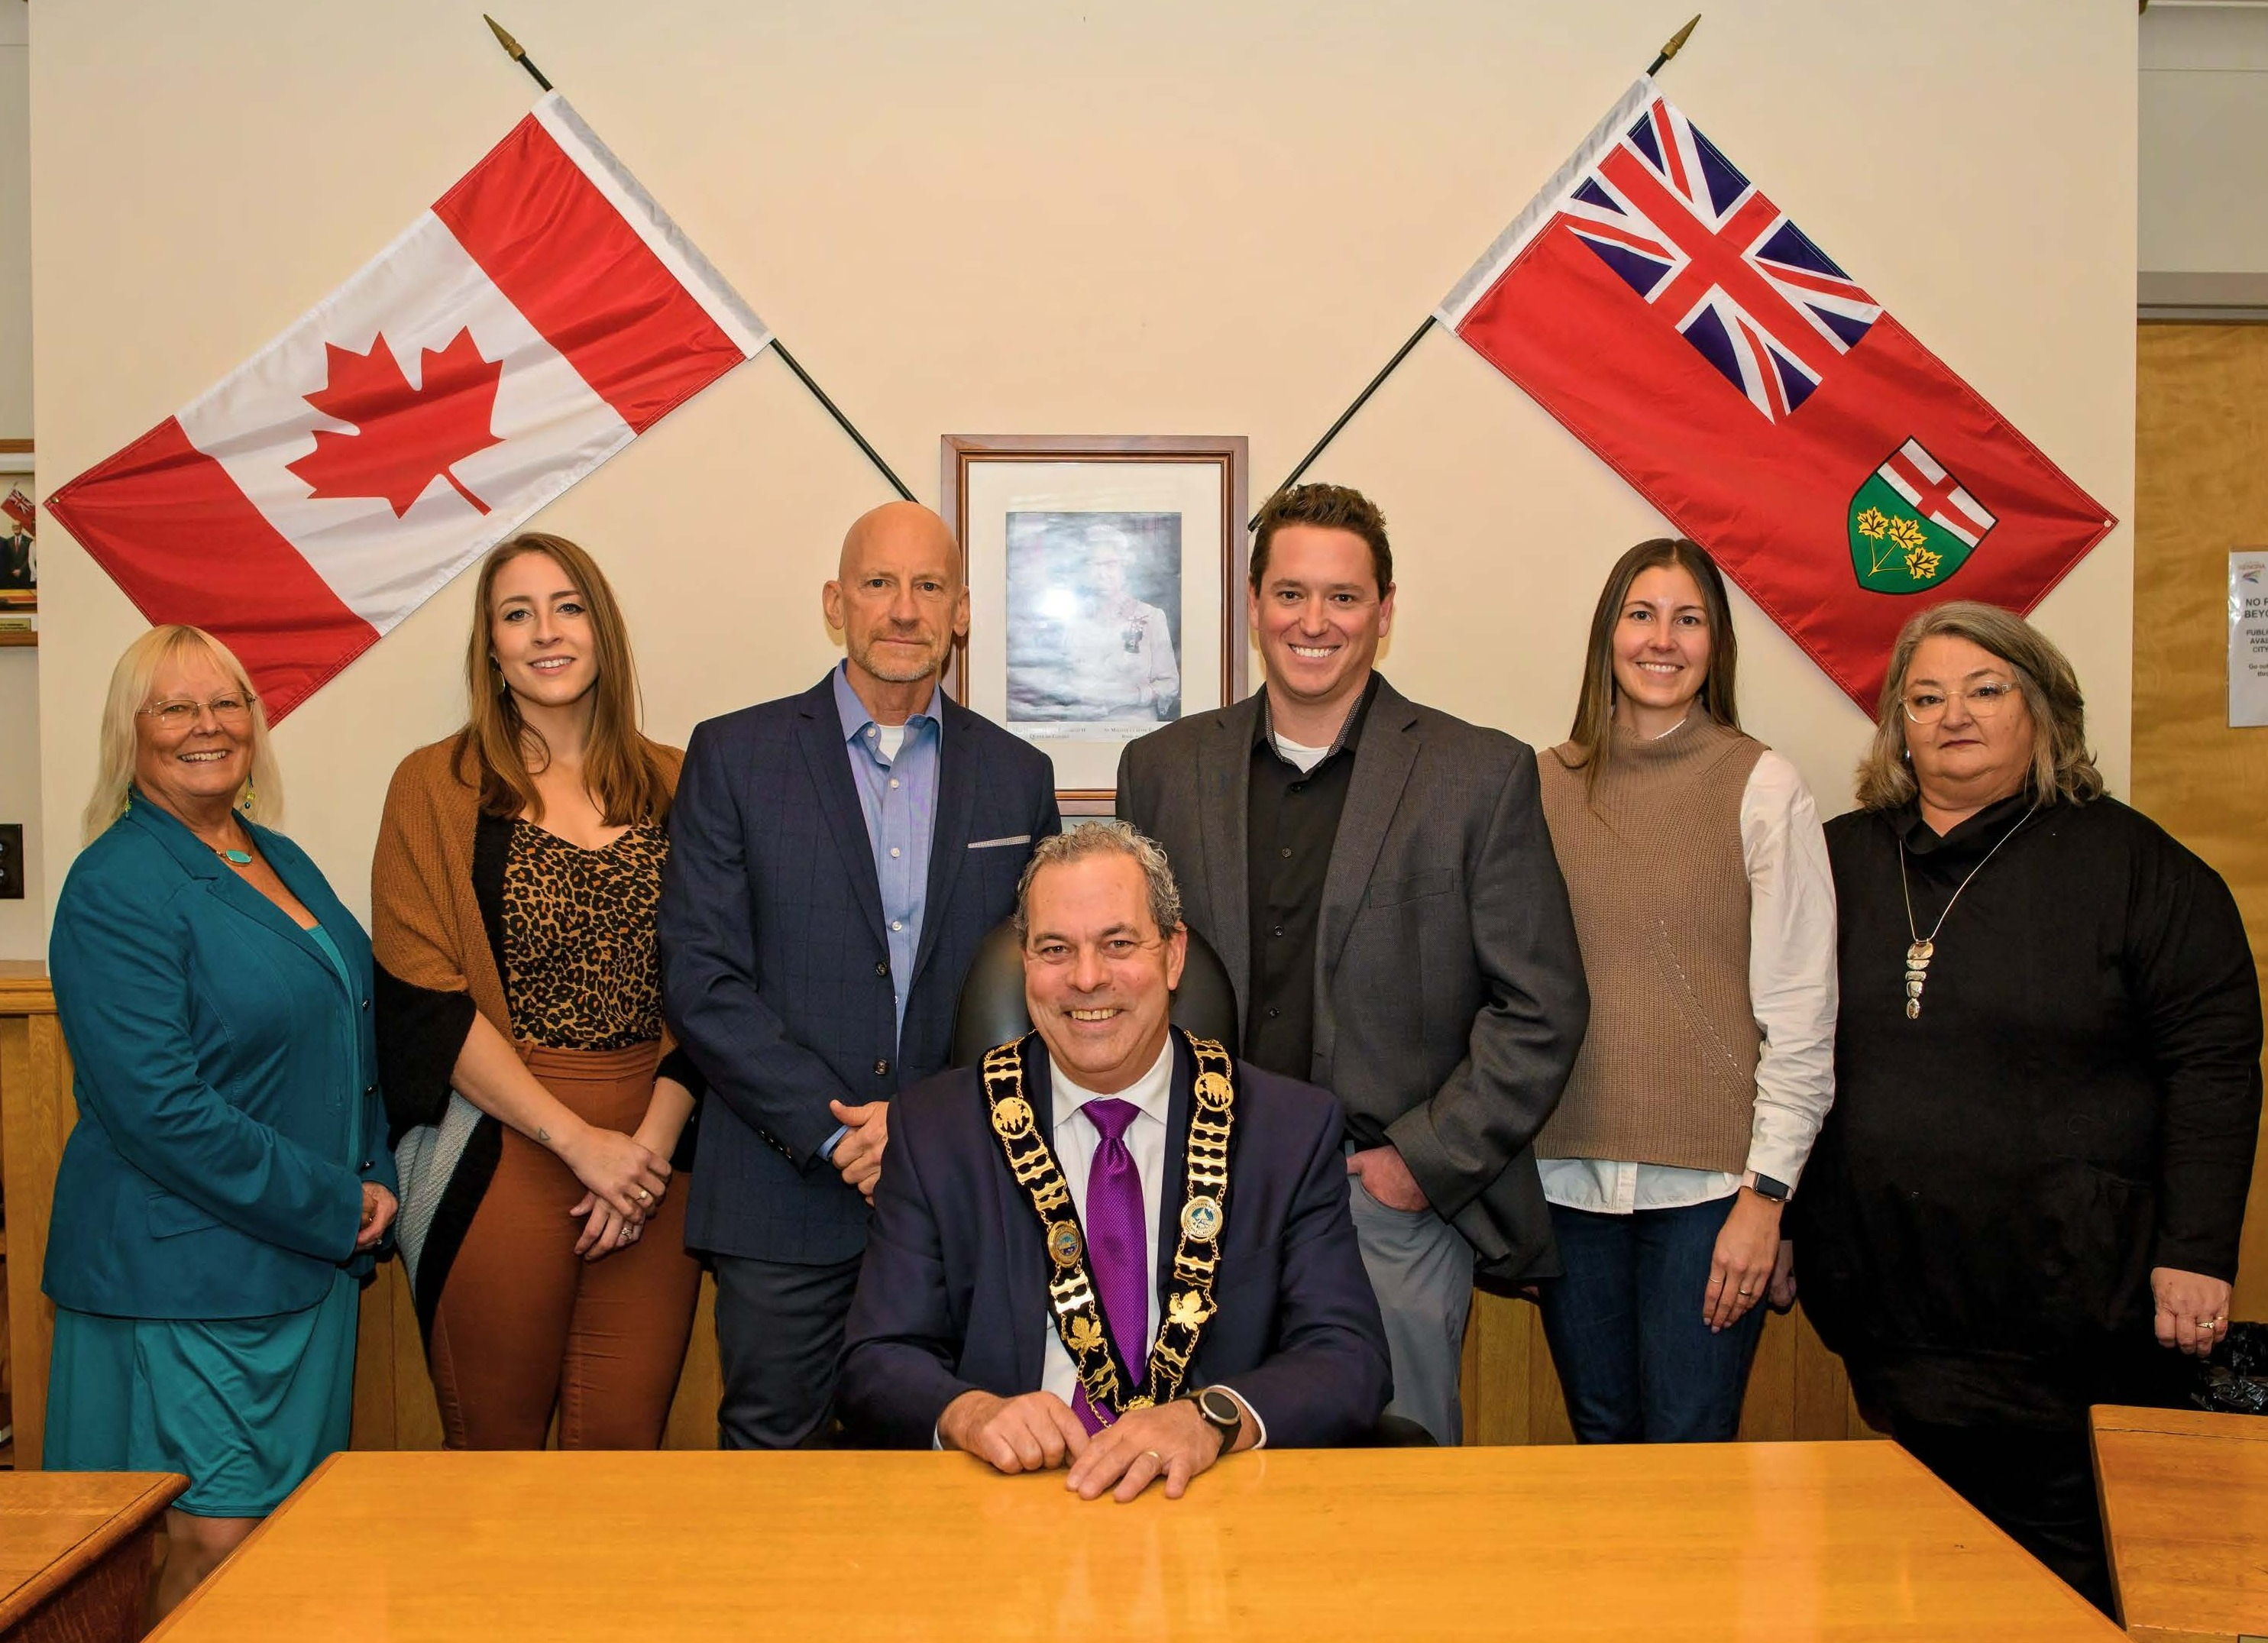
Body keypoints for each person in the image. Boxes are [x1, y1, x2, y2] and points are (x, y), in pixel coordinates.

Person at [1788, 600, 2262, 1615]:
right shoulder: (1836, 862)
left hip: (2071, 1311)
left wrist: (2198, 1248)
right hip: (1888, 1301)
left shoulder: (2138, 866)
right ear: (1897, 728)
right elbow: (1774, 1048)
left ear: (2043, 710)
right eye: (1925, 697)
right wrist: (1777, 1212)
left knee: (2062, 1577)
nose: (1953, 714)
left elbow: (2213, 1061)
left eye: (1984, 689)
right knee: (1917, 1569)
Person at [1118, 481, 1588, 1445]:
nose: (1313, 621)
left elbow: (1539, 1006)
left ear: (1383, 611)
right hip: (1195, 1198)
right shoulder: (1162, 769)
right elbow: (1120, 978)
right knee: (1195, 1487)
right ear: (1253, 607)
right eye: (1289, 594)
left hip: (1383, 1204)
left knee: (1395, 1497)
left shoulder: (1477, 774)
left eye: (1342, 596)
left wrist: (1421, 1162)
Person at [660, 500, 1060, 1449]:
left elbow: (1040, 988)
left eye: (928, 587)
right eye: (879, 584)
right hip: (779, 1191)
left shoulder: (1016, 775)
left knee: (953, 1475)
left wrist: (923, 1131)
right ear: (835, 603)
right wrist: (837, 1137)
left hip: (962, 1197)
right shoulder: (733, 755)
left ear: (961, 611)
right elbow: (701, 976)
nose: (903, 610)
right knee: (773, 1476)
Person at [839, 821, 1391, 1494]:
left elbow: (1349, 1357)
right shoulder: (936, 1128)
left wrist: (1212, 1418)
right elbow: (874, 1359)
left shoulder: (1287, 1129)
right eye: (1054, 949)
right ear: (1025, 964)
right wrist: (971, 1413)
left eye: (1118, 943)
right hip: (1007, 1500)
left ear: (1173, 954)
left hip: (1211, 1496)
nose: (1087, 977)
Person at [44, 625, 395, 1620]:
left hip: (303, 1272)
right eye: (176, 706)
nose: (207, 725)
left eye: (227, 702)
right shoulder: (114, 886)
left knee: (283, 1550)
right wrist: (338, 1196)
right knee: (209, 1548)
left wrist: (374, 1176)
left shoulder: (267, 852)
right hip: (183, 1275)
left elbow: (346, 1024)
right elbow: (162, 1108)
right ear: (131, 732)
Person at [372, 533, 701, 1450]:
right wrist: (576, 1142)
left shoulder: (683, 781)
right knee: (493, 1465)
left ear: (603, 629)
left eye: (567, 607)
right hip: (499, 1151)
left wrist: (639, 1154)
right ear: (490, 647)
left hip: (654, 1160)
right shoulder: (433, 788)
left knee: (622, 1461)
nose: (545, 632)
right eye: (516, 614)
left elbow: (717, 986)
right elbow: (422, 989)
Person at [1530, 539, 1836, 1443]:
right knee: (1600, 1441)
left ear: (1715, 645)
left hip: (1712, 1195)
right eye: (1640, 614)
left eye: (1688, 618)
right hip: (1562, 1183)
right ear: (1606, 636)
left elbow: (1802, 1015)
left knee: (1690, 1455)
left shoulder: (1762, 785)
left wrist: (1766, 1199)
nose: (1661, 640)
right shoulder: (1539, 784)